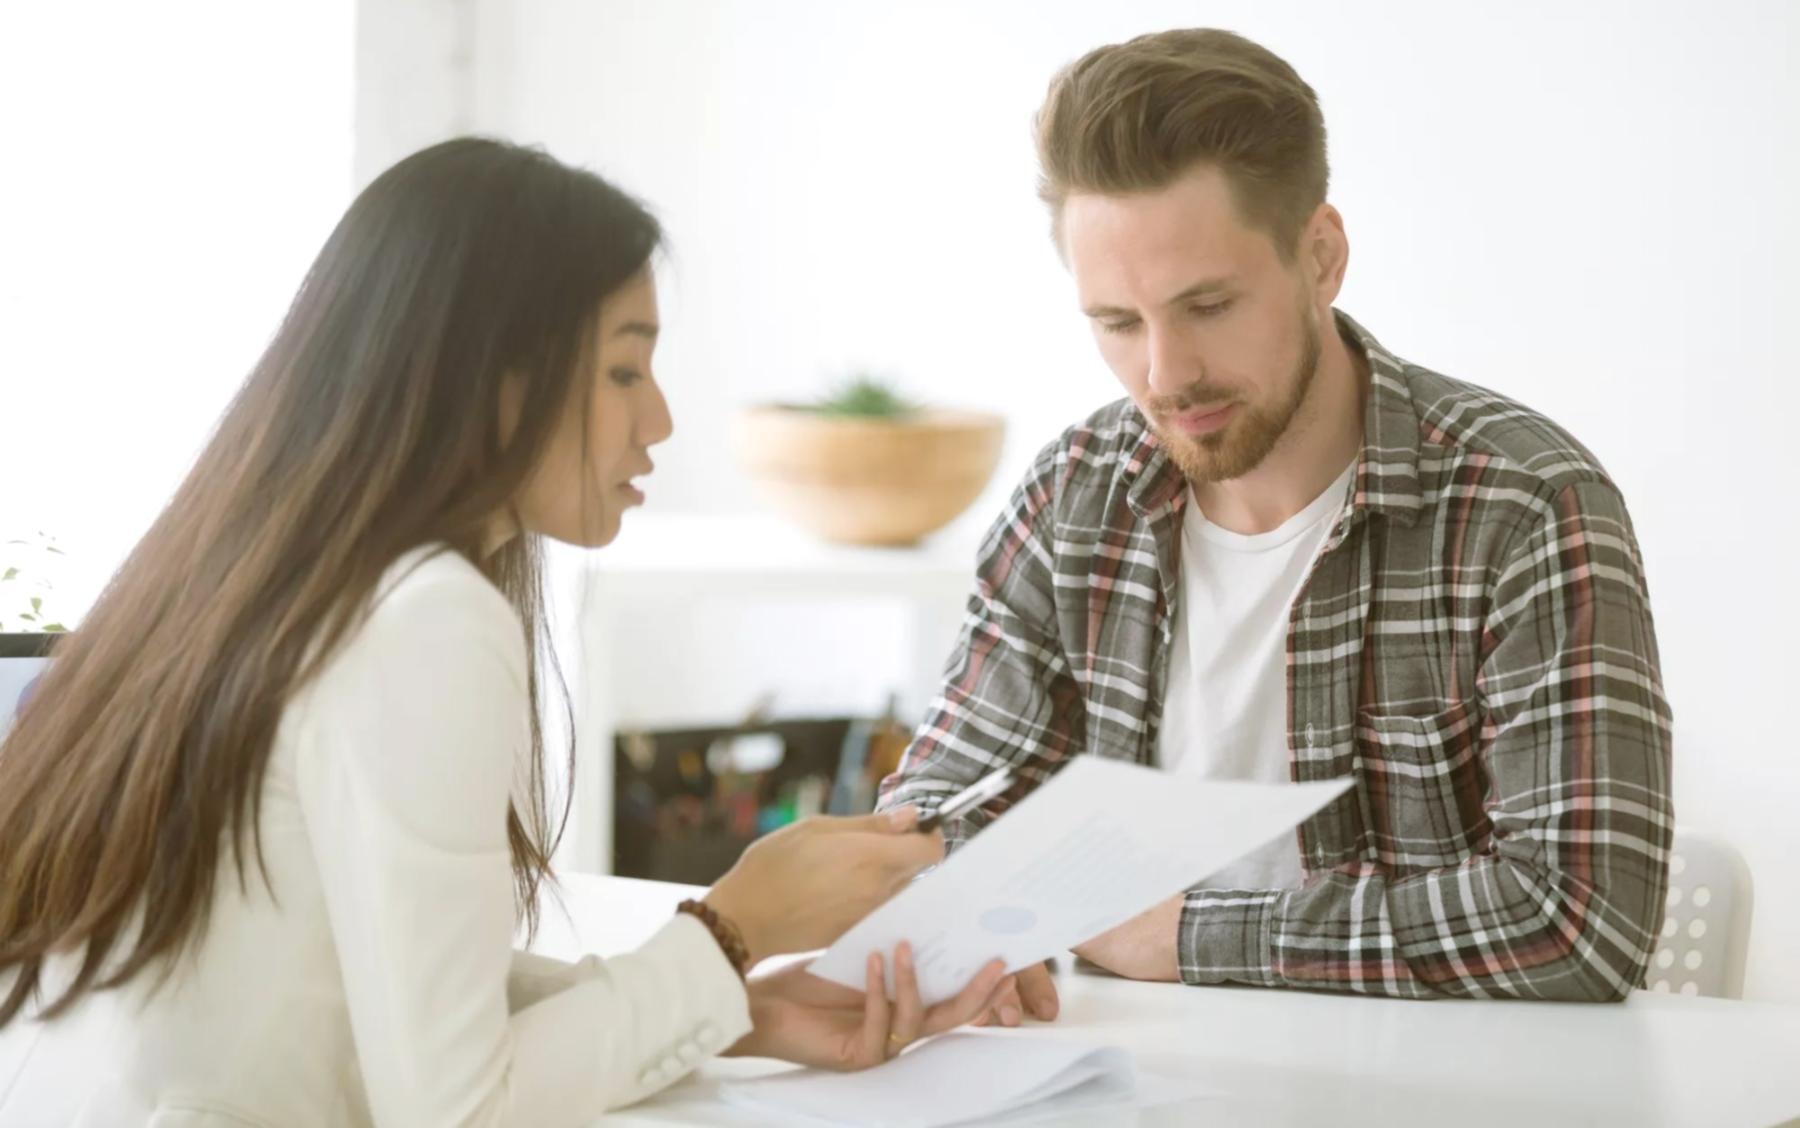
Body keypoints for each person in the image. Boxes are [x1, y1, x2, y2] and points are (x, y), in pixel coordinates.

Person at [0, 138, 1006, 1126]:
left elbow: (378, 986)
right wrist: (737, 922)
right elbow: (459, 1106)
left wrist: (732, 1006)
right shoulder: (425, 617)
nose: (657, 420)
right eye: (623, 372)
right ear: (496, 380)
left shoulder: (261, 573)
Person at [879, 27, 1674, 1018]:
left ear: (1322, 256)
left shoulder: (1521, 506)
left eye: (1208, 305)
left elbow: (1578, 922)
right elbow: (927, 825)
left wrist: (1183, 936)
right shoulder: (1072, 498)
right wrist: (986, 923)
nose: (1164, 375)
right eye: (1117, 323)